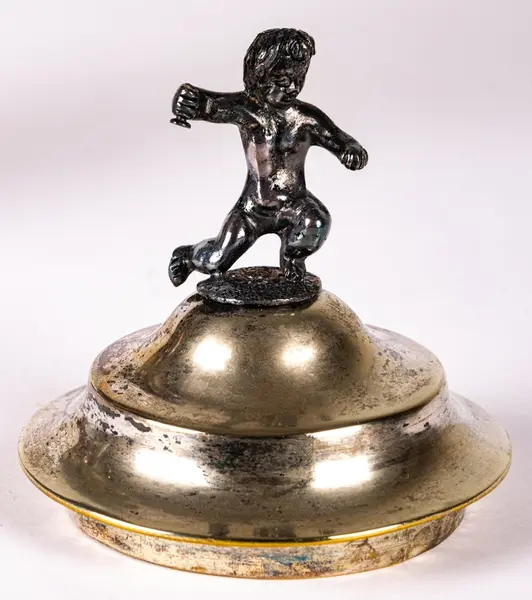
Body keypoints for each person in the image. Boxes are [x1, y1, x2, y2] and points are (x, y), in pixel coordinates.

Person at [169, 28, 368, 286]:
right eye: (283, 80)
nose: (293, 87)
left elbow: (339, 139)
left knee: (315, 221)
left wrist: (351, 151)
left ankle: (292, 258)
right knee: (216, 260)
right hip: (252, 209)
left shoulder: (306, 119)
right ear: (260, 75)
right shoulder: (247, 109)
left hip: (295, 205)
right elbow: (210, 105)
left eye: (299, 78)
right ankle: (188, 256)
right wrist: (190, 101)